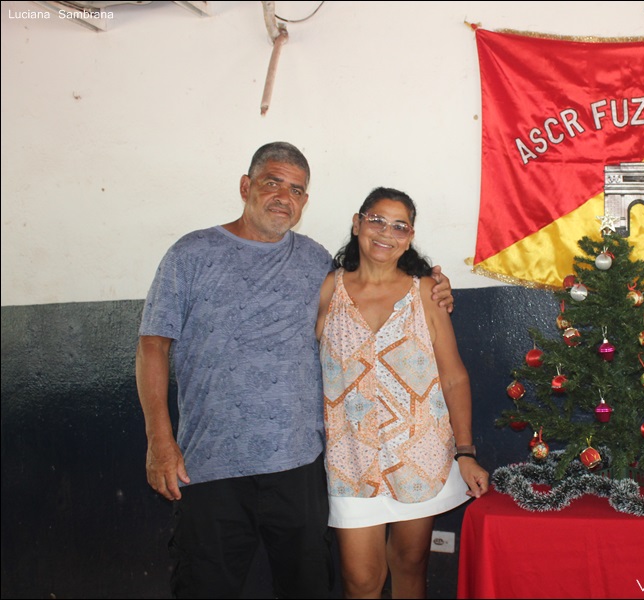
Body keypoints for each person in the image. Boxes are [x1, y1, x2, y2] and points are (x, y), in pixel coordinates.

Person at [135, 143, 454, 599]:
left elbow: (376, 277)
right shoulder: (191, 254)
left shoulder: (315, 262)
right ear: (245, 186)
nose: (284, 196)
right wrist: (159, 442)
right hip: (210, 465)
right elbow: (152, 346)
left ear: (305, 202)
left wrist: (436, 286)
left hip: (300, 467)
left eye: (297, 189)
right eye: (273, 182)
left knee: (307, 587)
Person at [315, 187, 490, 599]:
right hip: (349, 461)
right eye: (376, 220)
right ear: (357, 224)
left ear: (409, 238)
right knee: (360, 580)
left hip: (419, 457)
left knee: (410, 564)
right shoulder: (326, 290)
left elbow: (453, 377)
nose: (385, 233)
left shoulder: (426, 293)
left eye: (399, 226)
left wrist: (465, 453)